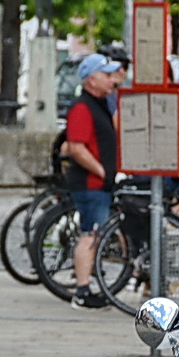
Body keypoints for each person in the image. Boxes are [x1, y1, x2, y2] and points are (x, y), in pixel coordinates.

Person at [62, 52, 123, 309]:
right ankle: (82, 291)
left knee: (96, 235)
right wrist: (101, 171)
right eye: (107, 75)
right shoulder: (82, 107)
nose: (113, 80)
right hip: (90, 184)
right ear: (91, 80)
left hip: (100, 183)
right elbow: (76, 147)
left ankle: (88, 285)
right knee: (90, 234)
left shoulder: (100, 105)